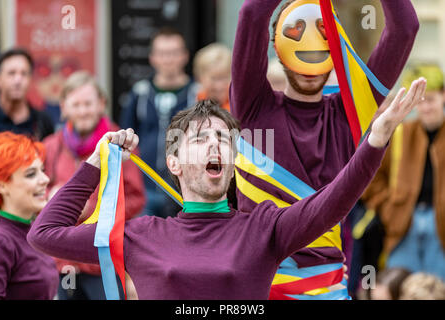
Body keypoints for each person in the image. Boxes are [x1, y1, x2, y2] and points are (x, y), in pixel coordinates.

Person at [27, 78, 426, 299]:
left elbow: (334, 200)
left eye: (224, 139)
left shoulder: (265, 227)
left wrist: (376, 138)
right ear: (174, 163)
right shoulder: (141, 232)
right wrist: (95, 164)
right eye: (201, 139)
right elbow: (43, 235)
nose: (216, 145)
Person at [230, 0, 419, 299]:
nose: (310, 66)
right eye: (296, 37)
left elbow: (405, 29)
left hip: (327, 290)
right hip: (259, 288)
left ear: (335, 50)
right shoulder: (253, 105)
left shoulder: (352, 111)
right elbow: (252, 14)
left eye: (322, 41)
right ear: (278, 47)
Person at [42, 70, 146, 300]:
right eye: (76, 104)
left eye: (88, 104)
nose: (82, 111)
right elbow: (35, 192)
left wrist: (94, 209)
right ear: (64, 107)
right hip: (62, 261)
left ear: (101, 104)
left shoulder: (120, 145)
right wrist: (49, 197)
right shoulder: (50, 146)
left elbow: (137, 198)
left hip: (102, 260)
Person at [362, 65, 445, 281]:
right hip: (403, 224)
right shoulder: (401, 134)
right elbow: (370, 177)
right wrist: (389, 208)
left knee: (436, 288)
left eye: (432, 99)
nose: (426, 108)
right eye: (421, 101)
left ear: (443, 96)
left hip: (441, 227)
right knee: (398, 286)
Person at [120, 27, 198, 218]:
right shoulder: (140, 93)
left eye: (173, 53)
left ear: (185, 56)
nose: (168, 59)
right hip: (144, 189)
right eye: (162, 53)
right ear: (152, 57)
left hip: (186, 190)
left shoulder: (197, 94)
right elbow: (125, 138)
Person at [0, 132, 59, 299]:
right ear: (2, 185)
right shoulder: (0, 240)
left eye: (42, 170)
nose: (45, 179)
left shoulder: (32, 229)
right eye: (31, 174)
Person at [0, 48, 54, 140]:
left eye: (24, 74)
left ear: (30, 80)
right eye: (11, 73)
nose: (18, 80)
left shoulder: (43, 122)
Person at [193, 43, 232, 112]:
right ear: (200, 77)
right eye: (214, 78)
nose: (219, 86)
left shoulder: (238, 106)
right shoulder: (191, 101)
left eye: (224, 78)